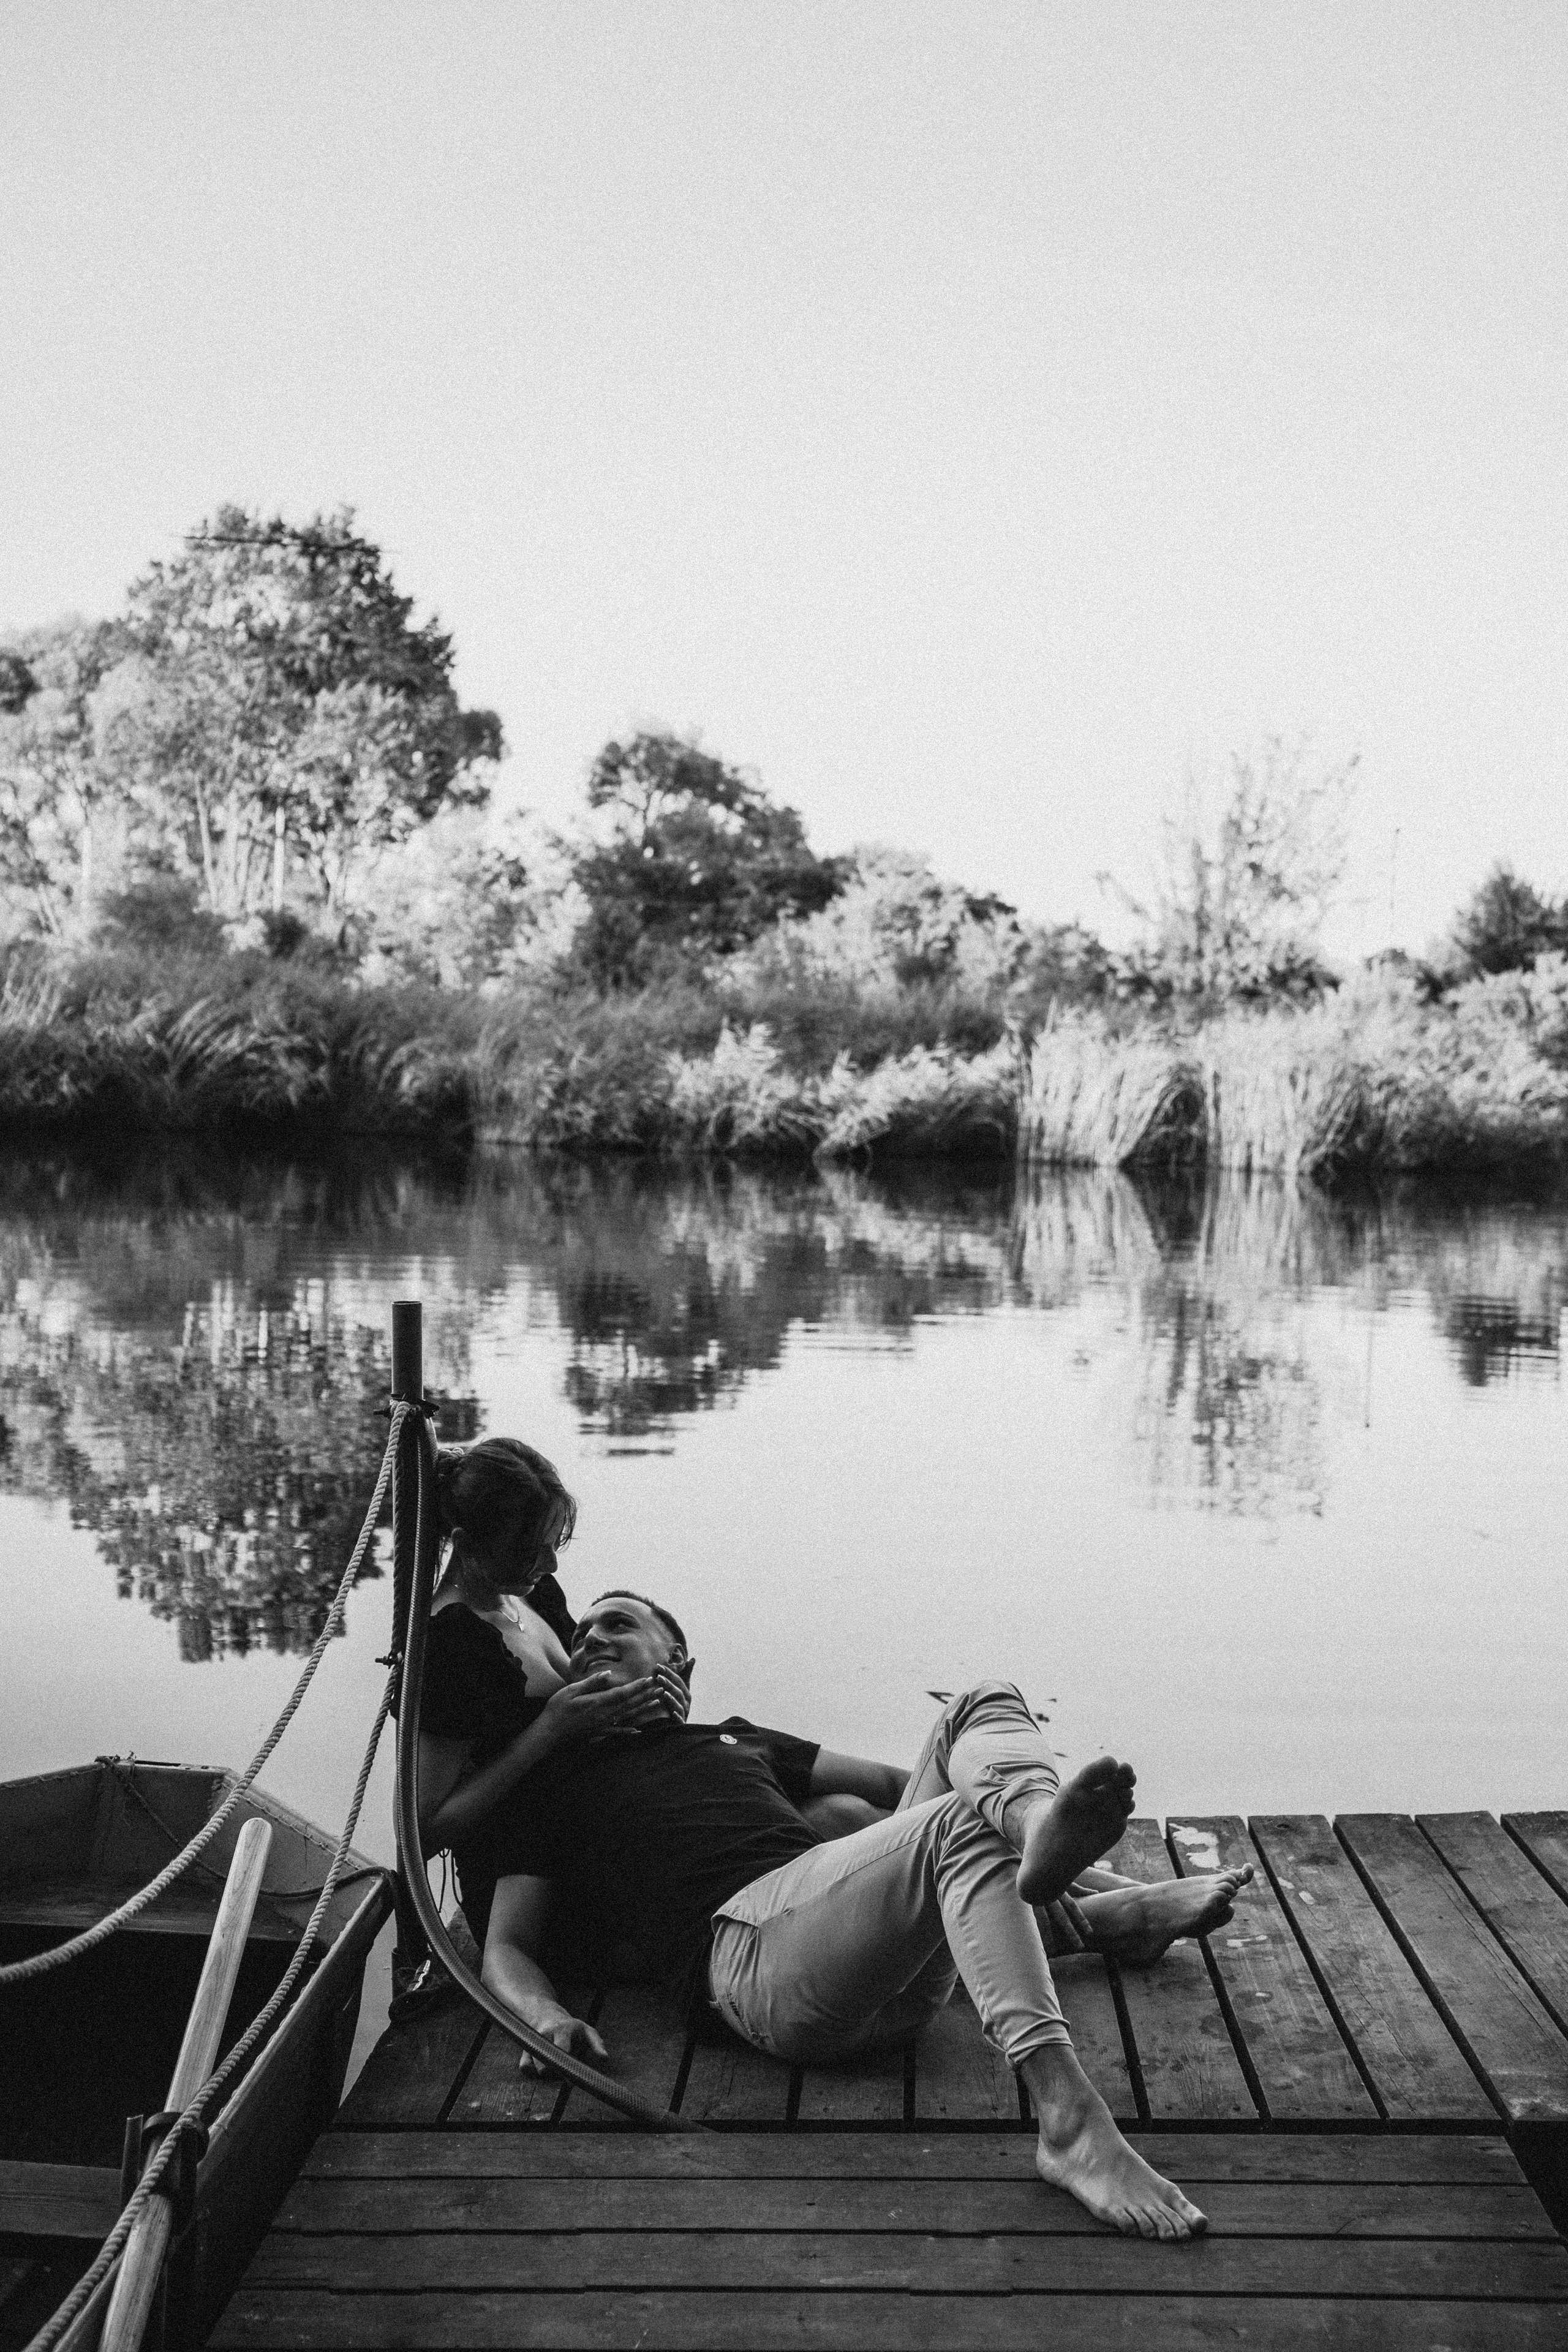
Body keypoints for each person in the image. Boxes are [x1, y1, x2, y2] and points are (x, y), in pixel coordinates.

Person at [480, 1591, 1253, 2243]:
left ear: (678, 1662)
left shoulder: (736, 1738)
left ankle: (1057, 1851)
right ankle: (1071, 2123)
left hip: (864, 1957)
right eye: (580, 1635)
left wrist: (1056, 1847)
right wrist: (543, 2017)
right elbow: (506, 1943)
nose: (590, 1638)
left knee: (980, 1705)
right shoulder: (558, 1782)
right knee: (955, 1825)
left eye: (616, 1624)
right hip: (752, 1966)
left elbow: (898, 1784)